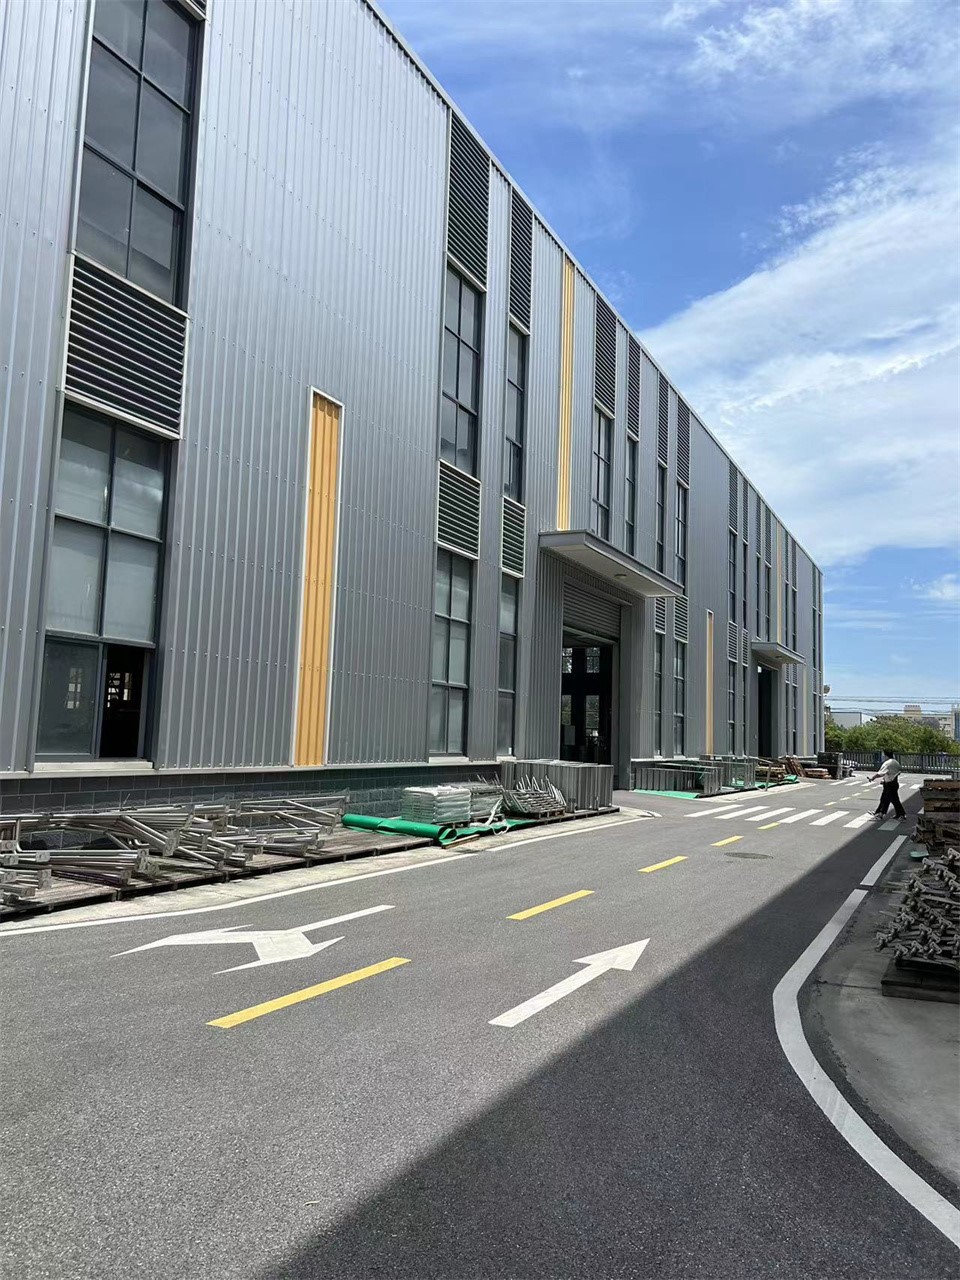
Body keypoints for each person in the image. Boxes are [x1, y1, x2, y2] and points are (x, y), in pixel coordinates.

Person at [868, 750, 906, 820]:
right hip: (893, 783)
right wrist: (885, 779)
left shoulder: (887, 763)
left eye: (883, 755)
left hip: (890, 784)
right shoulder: (895, 762)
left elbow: (881, 773)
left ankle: (882, 813)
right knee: (887, 799)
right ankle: (880, 813)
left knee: (890, 800)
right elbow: (895, 772)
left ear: (886, 756)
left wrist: (872, 778)